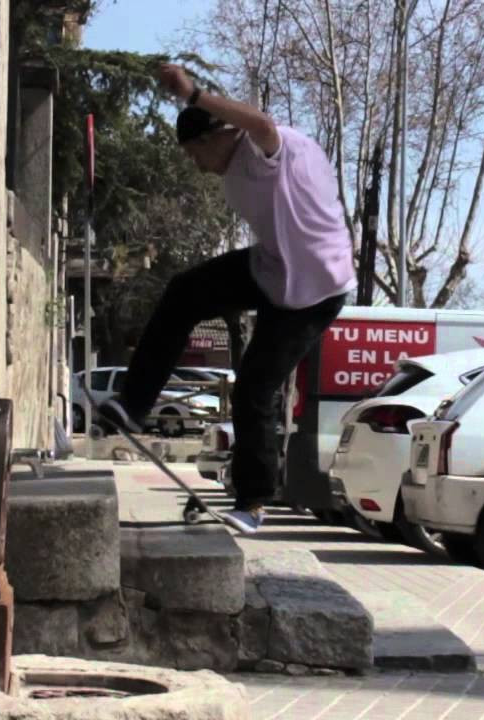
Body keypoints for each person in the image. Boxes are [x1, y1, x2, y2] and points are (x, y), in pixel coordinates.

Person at [113, 63, 354, 534]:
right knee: (184, 291)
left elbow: (261, 123)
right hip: (270, 271)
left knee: (254, 389)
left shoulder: (268, 148)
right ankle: (133, 404)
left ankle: (253, 502)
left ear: (216, 137)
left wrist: (192, 93)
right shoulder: (232, 171)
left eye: (194, 155)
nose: (196, 167)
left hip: (315, 292)